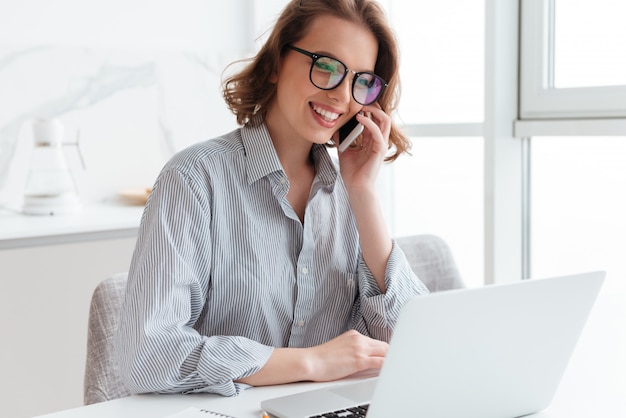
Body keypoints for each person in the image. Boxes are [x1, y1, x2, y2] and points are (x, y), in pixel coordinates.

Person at [115, 0, 429, 397]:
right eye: (327, 67)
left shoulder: (352, 191)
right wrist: (311, 362)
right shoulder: (194, 179)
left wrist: (364, 195)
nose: (341, 96)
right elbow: (147, 355)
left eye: (361, 81)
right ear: (278, 61)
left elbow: (418, 346)